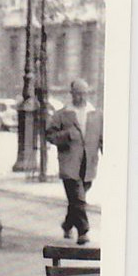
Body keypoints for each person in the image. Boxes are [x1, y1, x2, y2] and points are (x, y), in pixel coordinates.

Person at [45, 78, 103, 246]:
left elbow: (102, 138)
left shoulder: (96, 114)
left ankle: (67, 224)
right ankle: (83, 232)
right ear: (71, 94)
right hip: (69, 163)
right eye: (77, 93)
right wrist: (66, 135)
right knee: (78, 199)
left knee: (77, 200)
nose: (81, 97)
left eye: (84, 93)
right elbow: (49, 135)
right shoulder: (62, 114)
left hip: (89, 164)